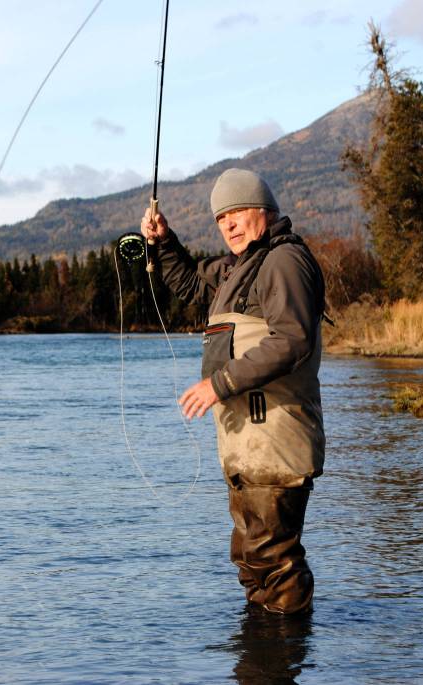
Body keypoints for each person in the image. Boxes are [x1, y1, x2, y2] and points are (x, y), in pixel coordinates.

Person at [140, 168, 326, 615]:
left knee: (272, 561)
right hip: (249, 446)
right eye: (222, 217)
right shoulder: (236, 269)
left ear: (266, 211)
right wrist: (164, 242)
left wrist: (218, 384)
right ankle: (264, 657)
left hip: (276, 441)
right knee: (251, 560)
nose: (229, 224)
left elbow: (292, 340)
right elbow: (187, 282)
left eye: (239, 211)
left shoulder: (283, 261)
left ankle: (281, 654)